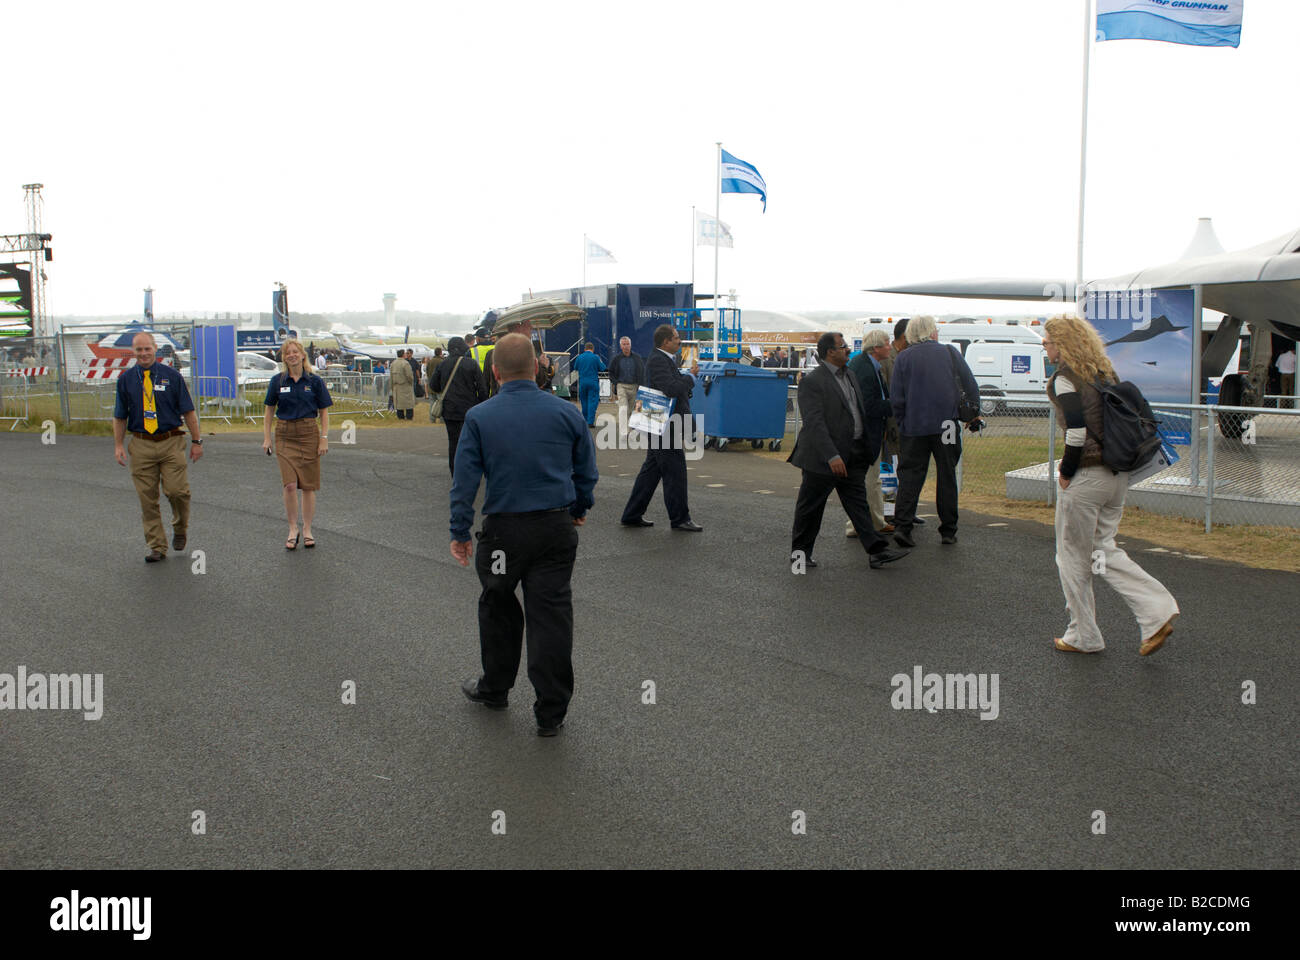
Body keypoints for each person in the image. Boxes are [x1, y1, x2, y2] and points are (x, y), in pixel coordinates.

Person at [451, 334, 598, 737]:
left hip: (503, 533)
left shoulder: (480, 417)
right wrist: (580, 508)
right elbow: (587, 471)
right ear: (537, 367)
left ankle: (495, 687)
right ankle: (551, 712)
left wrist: (459, 530)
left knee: (497, 606)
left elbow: (464, 482)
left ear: (495, 372)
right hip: (554, 527)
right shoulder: (566, 413)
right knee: (550, 615)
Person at [1043, 314, 1178, 656]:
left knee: (1072, 557)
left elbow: (1076, 432)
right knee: (1102, 549)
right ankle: (1156, 610)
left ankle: (1084, 635)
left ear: (1062, 345)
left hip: (1086, 477)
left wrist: (1066, 470)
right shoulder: (1104, 373)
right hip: (1116, 475)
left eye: (1047, 341)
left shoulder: (1064, 379)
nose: (1044, 347)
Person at [788, 332, 907, 570]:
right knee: (810, 508)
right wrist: (832, 455)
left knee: (858, 504)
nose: (848, 351)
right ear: (830, 352)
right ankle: (800, 555)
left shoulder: (850, 375)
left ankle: (876, 551)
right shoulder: (813, 382)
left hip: (852, 454)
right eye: (843, 347)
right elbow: (815, 423)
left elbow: (857, 412)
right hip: (822, 458)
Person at [111, 331, 204, 563]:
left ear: (155, 349)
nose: (143, 354)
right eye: (139, 350)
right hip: (141, 444)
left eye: (147, 349)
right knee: (147, 499)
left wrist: (196, 441)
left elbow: (188, 411)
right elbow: (120, 416)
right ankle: (157, 546)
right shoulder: (126, 380)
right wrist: (118, 445)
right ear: (134, 351)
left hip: (171, 442)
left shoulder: (172, 376)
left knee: (177, 492)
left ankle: (180, 528)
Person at [889, 316, 981, 547]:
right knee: (947, 475)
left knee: (910, 476)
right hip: (946, 425)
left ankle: (903, 526)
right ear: (931, 332)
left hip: (914, 426)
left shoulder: (903, 358)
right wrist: (973, 413)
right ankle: (948, 529)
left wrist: (902, 423)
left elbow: (897, 398)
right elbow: (970, 385)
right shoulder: (949, 353)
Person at [620, 324, 702, 532]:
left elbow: (670, 384)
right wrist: (690, 378)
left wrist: (684, 378)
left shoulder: (663, 359)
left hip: (657, 421)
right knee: (675, 472)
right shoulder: (658, 360)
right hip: (662, 423)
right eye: (676, 338)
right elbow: (671, 388)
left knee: (651, 471)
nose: (679, 340)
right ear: (665, 341)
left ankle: (632, 514)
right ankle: (680, 518)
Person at [262, 338, 333, 549]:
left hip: (309, 433)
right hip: (284, 434)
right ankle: (293, 528)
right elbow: (268, 410)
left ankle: (308, 528)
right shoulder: (277, 381)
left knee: (308, 486)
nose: (291, 355)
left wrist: (324, 438)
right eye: (287, 353)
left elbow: (324, 412)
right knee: (290, 485)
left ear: (302, 355)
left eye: (295, 352)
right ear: (284, 358)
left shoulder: (314, 381)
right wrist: (267, 437)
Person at [845, 328, 895, 537]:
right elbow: (869, 406)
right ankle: (863, 524)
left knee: (873, 480)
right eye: (886, 343)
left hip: (871, 432)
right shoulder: (865, 369)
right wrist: (895, 405)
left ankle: (874, 520)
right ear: (876, 348)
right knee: (867, 480)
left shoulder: (870, 365)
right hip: (865, 434)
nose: (889, 347)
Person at [430, 336, 487, 477]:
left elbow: (434, 386)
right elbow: (482, 388)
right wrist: (480, 405)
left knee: (453, 442)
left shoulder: (442, 365)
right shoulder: (471, 364)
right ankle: (470, 471)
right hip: (470, 409)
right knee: (471, 441)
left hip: (450, 410)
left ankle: (455, 473)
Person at [608, 336, 645, 439]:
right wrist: (615, 382)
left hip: (634, 386)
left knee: (632, 410)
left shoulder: (637, 358)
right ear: (620, 346)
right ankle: (623, 433)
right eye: (624, 344)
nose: (626, 346)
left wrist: (641, 386)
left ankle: (629, 429)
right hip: (621, 386)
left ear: (630, 345)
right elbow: (610, 372)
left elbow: (642, 372)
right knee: (623, 408)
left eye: (627, 344)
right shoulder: (616, 359)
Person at [571, 341, 607, 427]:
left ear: (585, 349)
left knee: (584, 402)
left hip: (582, 382)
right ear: (593, 349)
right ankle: (590, 422)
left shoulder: (579, 357)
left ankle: (584, 420)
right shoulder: (595, 357)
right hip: (593, 382)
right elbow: (603, 368)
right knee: (592, 401)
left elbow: (575, 367)